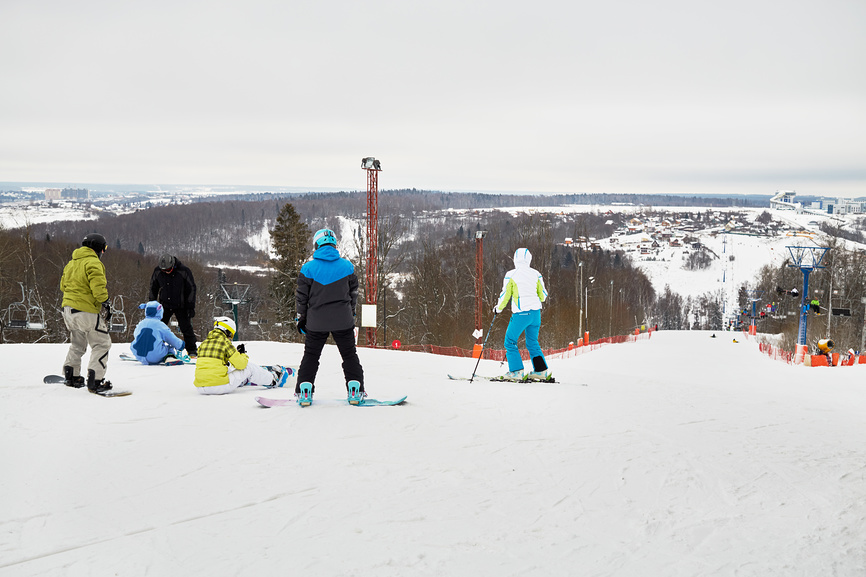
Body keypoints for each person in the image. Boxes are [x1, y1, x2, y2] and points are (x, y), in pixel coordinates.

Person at [295, 228, 365, 404]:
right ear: (334, 244)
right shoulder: (347, 267)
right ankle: (355, 389)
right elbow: (353, 295)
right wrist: (352, 313)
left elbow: (301, 299)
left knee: (311, 356)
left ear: (317, 245)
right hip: (343, 320)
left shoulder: (308, 269)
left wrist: (301, 319)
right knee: (349, 355)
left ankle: (304, 389)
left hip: (316, 322)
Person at [59, 232, 113, 393]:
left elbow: (63, 286)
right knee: (102, 343)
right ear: (98, 248)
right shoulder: (93, 263)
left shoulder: (71, 263)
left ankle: (71, 375)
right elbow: (98, 287)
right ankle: (95, 380)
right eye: (104, 249)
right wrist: (105, 302)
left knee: (77, 344)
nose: (103, 253)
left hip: (68, 310)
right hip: (86, 311)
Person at [493, 247, 551, 381]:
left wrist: (498, 308)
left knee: (510, 342)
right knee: (532, 342)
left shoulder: (511, 274)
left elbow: (505, 295)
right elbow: (543, 296)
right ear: (529, 259)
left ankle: (516, 371)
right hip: (536, 314)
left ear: (515, 259)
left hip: (521, 314)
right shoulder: (536, 274)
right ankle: (541, 371)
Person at [193, 317, 285, 394]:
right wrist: (242, 354)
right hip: (218, 386)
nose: (230, 338)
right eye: (231, 335)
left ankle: (242, 381)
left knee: (228, 368)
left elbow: (214, 365)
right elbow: (242, 365)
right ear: (227, 331)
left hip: (200, 387)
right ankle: (273, 379)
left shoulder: (203, 343)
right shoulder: (224, 342)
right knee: (248, 367)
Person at [148, 254, 198, 356]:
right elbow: (153, 287)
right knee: (157, 327)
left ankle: (192, 350)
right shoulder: (158, 271)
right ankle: (152, 349)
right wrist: (152, 303)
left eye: (168, 269)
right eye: (164, 270)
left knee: (186, 328)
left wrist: (190, 306)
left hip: (181, 305)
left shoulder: (184, 271)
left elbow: (191, 288)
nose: (166, 272)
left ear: (173, 265)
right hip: (164, 305)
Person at [129, 301, 185, 365]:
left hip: (138, 353)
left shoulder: (141, 323)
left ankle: (143, 355)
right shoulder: (160, 325)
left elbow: (136, 335)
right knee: (169, 348)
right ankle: (170, 357)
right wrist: (180, 345)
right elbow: (171, 338)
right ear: (159, 312)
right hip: (155, 355)